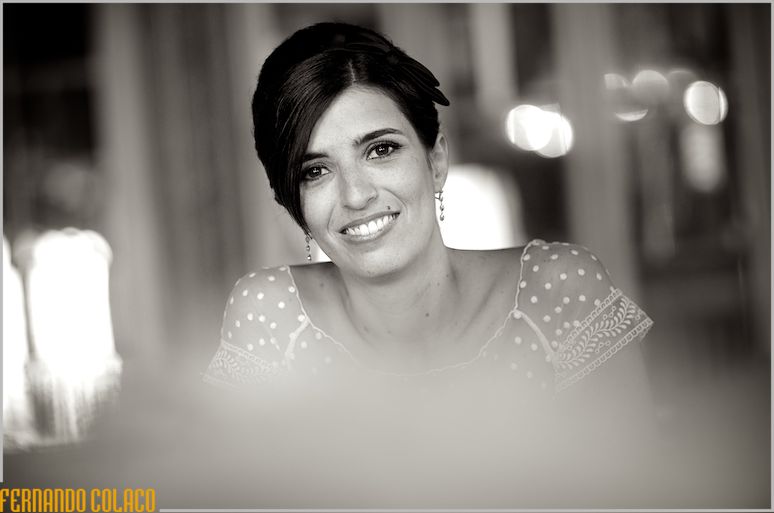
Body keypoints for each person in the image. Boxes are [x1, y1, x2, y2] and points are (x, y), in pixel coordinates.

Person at [203, 22, 653, 407]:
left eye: (381, 150)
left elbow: (635, 475)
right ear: (290, 202)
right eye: (315, 171)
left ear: (436, 160)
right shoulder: (272, 316)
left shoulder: (558, 290)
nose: (356, 195)